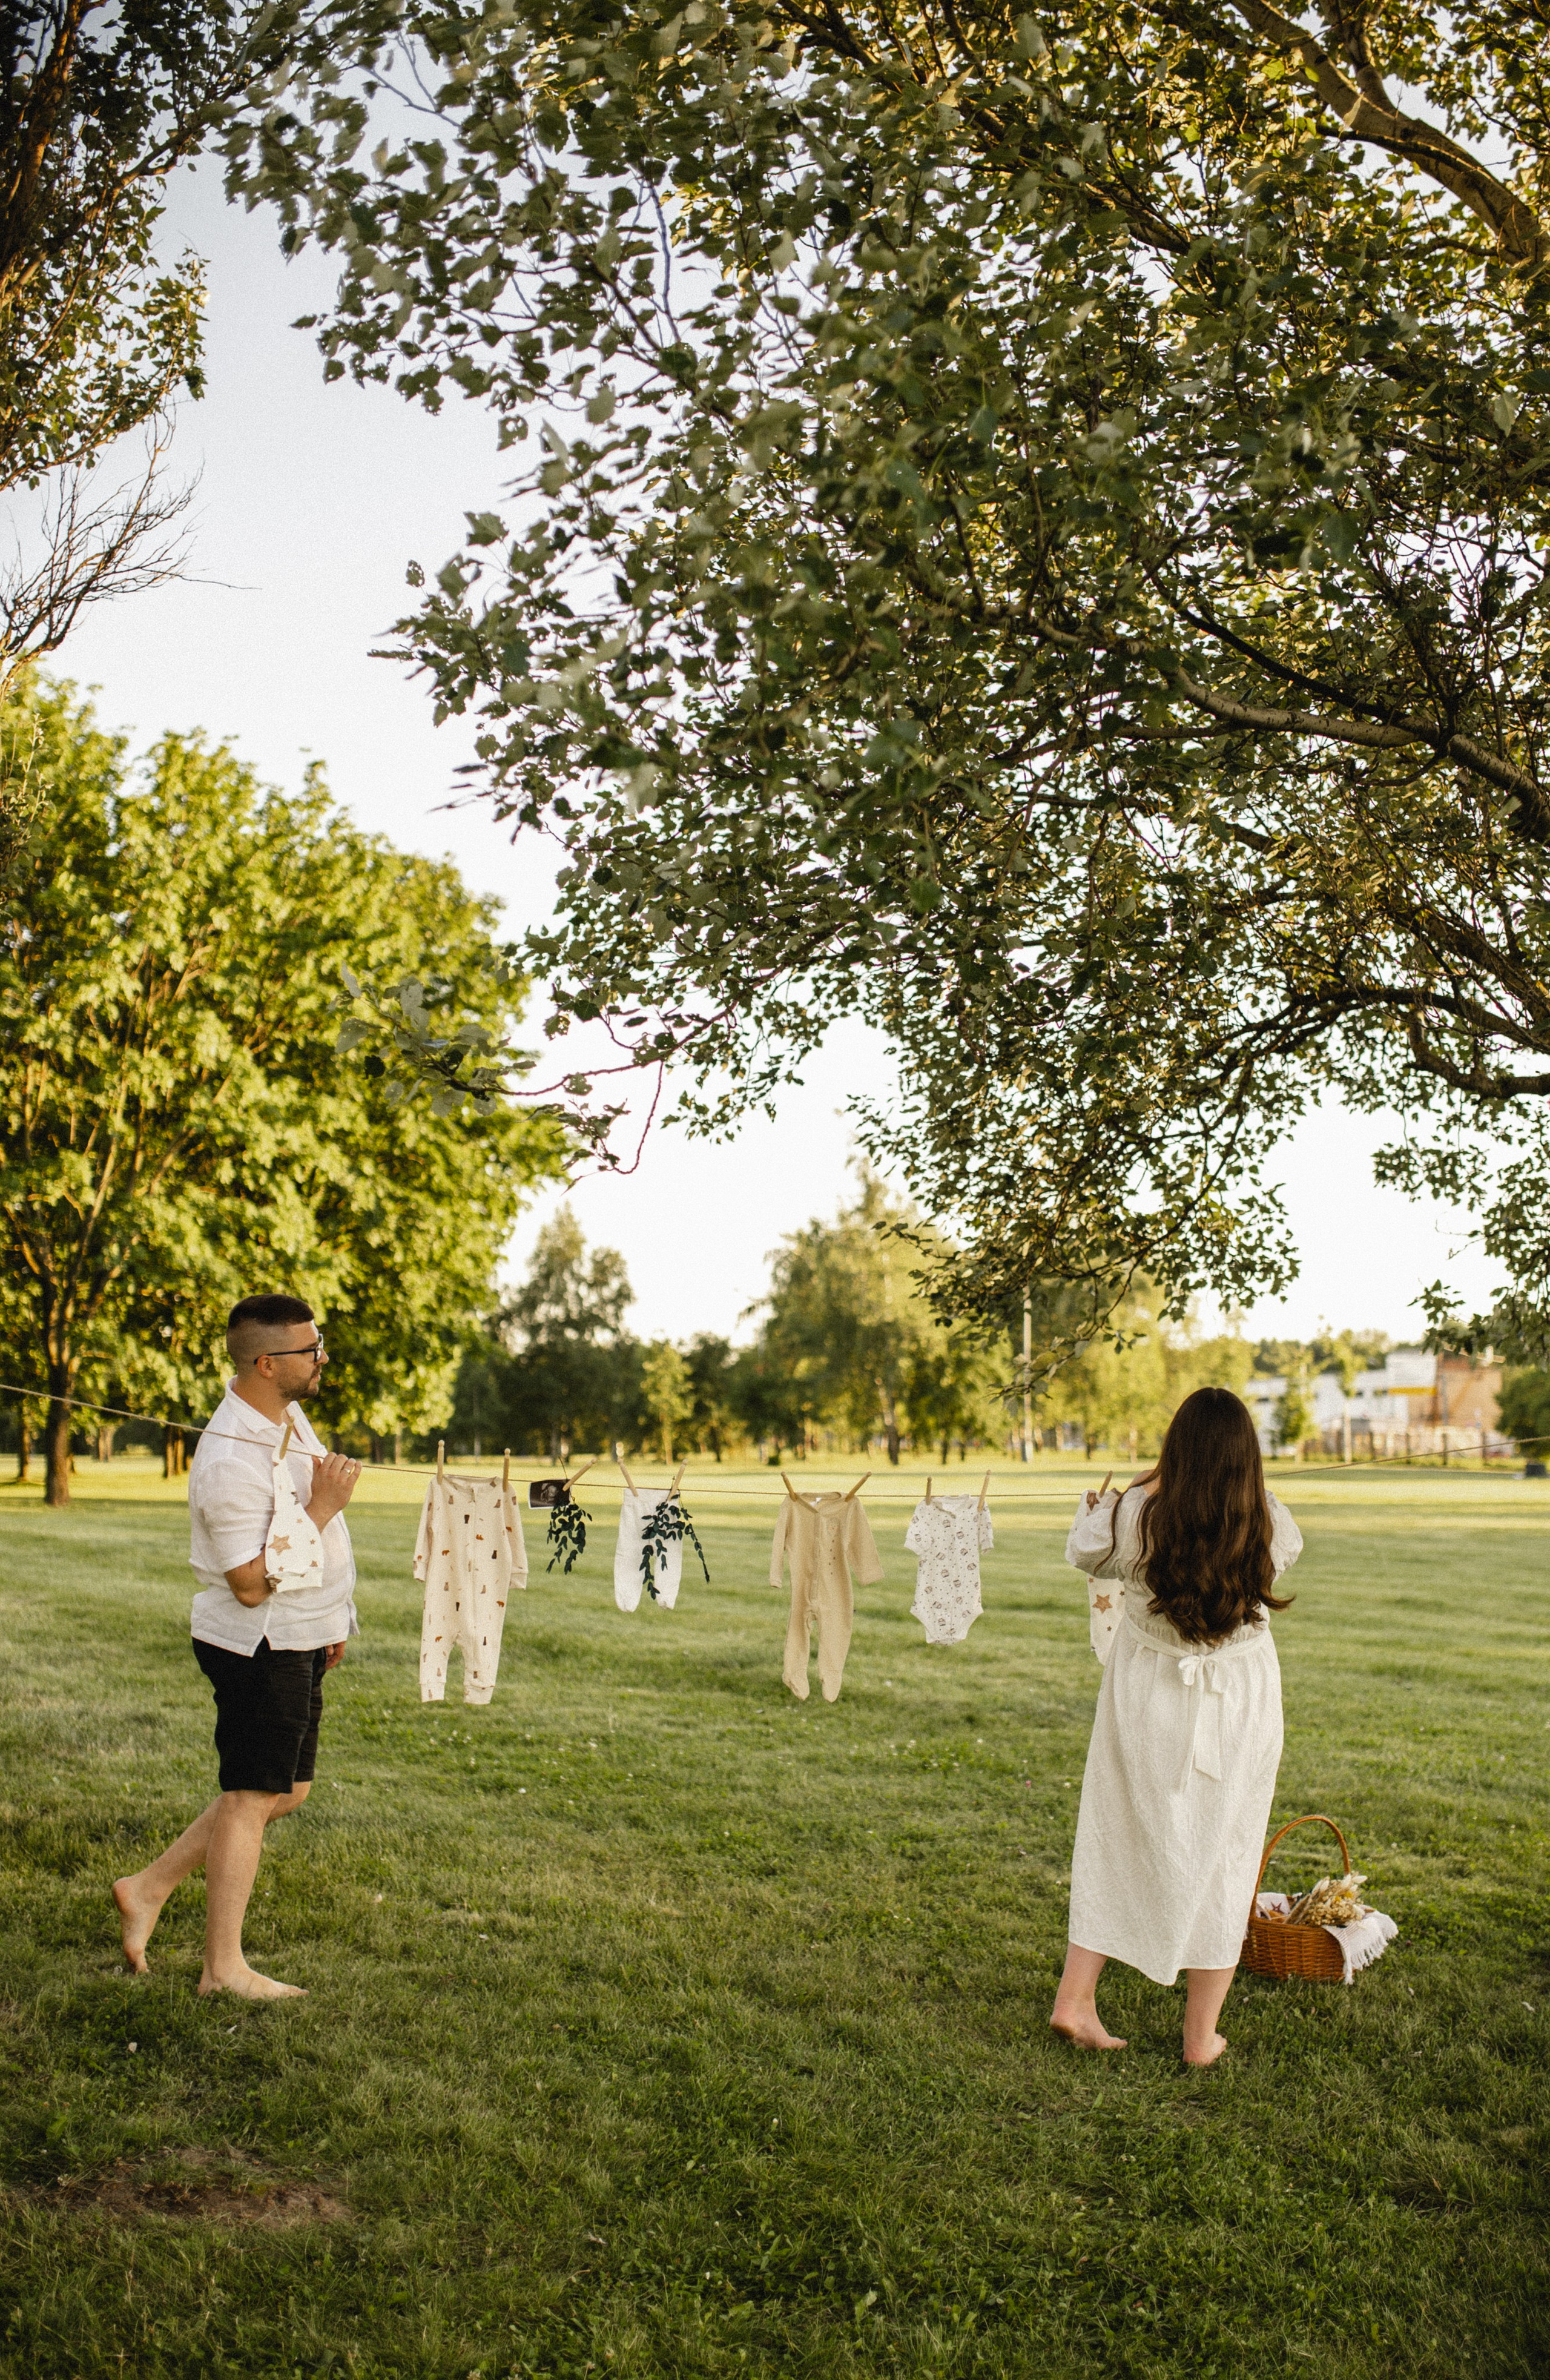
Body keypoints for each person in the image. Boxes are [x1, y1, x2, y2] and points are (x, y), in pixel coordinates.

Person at [112, 1295, 362, 2000]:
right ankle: (222, 1970)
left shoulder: (284, 1417)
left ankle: (148, 1887)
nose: (321, 1359)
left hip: (300, 1634)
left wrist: (331, 1620)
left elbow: (309, 1550)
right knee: (252, 1795)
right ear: (265, 1362)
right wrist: (324, 1506)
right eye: (310, 1351)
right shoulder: (228, 1459)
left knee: (288, 1790)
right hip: (258, 1644)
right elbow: (251, 1584)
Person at [1049, 1387, 1303, 2066]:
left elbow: (1085, 1552)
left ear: (1173, 1451)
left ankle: (1074, 2001)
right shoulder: (1267, 1521)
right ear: (1246, 1459)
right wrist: (1242, 1492)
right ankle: (1199, 2039)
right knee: (1226, 1849)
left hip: (1144, 1691)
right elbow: (1281, 1553)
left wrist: (1134, 1489)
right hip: (1237, 1700)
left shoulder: (1133, 1514)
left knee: (1116, 1832)